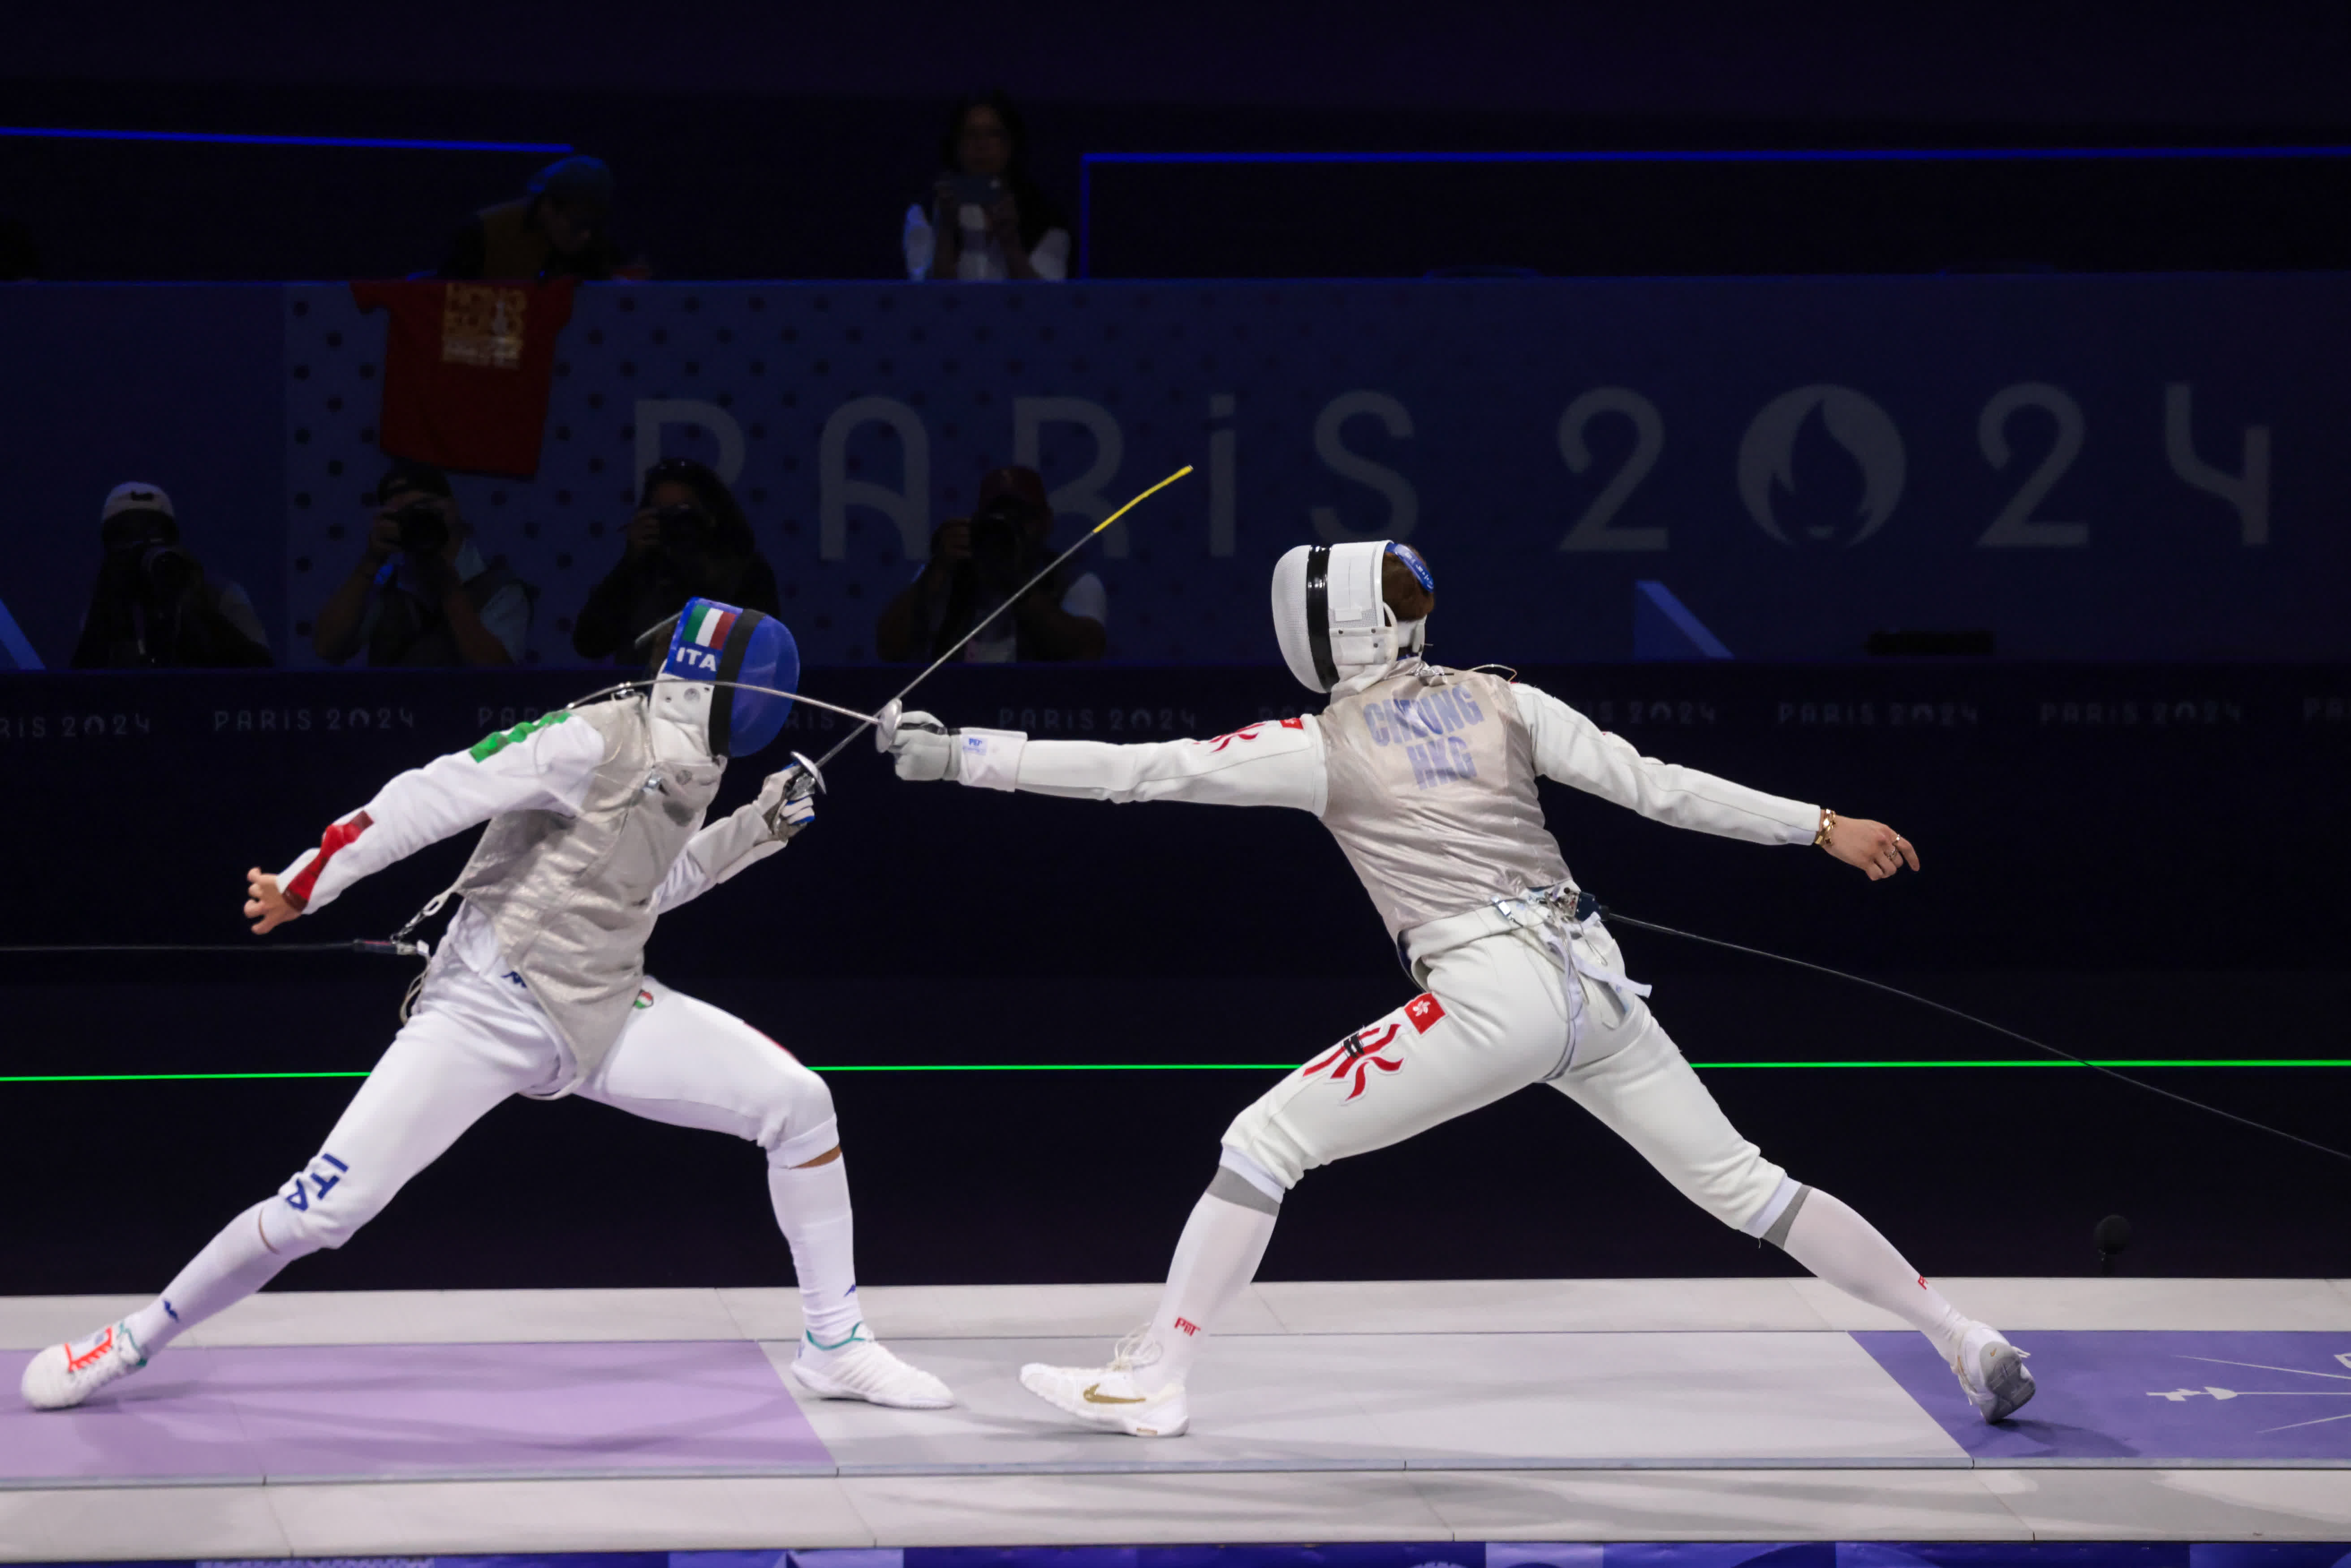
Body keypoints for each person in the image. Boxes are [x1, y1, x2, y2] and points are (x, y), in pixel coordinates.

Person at [885, 539, 2034, 1438]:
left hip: (1496, 992)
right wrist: (1819, 826)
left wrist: (959, 757)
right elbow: (1660, 788)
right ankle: (1958, 1332)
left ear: (1326, 635)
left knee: (1263, 1140)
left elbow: (1143, 774)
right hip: (1597, 990)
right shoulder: (1504, 702)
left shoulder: (1315, 743)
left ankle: (1162, 1376)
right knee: (1747, 1186)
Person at [22, 599, 952, 1416]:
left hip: (603, 1008)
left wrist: (756, 827)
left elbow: (640, 889)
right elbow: (435, 791)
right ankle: (134, 1337)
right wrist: (313, 879)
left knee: (799, 1103)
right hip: (487, 1008)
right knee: (322, 1210)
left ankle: (834, 1346)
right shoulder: (591, 738)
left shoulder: (693, 761)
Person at [312, 461, 533, 667]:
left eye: (427, 509)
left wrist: (450, 591)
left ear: (454, 509)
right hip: (393, 707)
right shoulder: (385, 581)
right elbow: (328, 649)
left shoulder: (498, 586)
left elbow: (498, 676)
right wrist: (371, 562)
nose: (420, 520)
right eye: (406, 516)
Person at [874, 466, 1105, 662]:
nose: (1010, 525)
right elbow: (889, 650)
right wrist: (938, 570)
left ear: (1047, 522)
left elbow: (1088, 654)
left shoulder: (1072, 582)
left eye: (1022, 516)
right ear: (978, 520)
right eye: (999, 515)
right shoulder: (946, 574)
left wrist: (1017, 583)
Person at [573, 458, 780, 666]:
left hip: (719, 693)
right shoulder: (642, 570)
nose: (674, 523)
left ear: (711, 515)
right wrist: (630, 562)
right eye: (662, 514)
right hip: (646, 691)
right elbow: (589, 644)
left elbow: (765, 653)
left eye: (682, 512)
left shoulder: (744, 570)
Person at [70, 482, 272, 669]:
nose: (142, 546)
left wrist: (192, 602)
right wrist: (106, 598)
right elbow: (83, 689)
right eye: (126, 536)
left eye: (154, 533)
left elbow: (261, 674)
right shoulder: (108, 605)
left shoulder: (221, 594)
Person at [902, 92, 1070, 282]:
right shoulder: (925, 213)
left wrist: (1011, 243)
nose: (982, 145)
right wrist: (946, 230)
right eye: (971, 135)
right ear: (956, 146)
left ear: (1010, 146)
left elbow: (1048, 301)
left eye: (994, 134)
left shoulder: (1045, 219)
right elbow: (928, 300)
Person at [440, 155, 621, 283]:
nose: (586, 236)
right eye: (576, 224)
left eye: (593, 225)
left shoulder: (597, 246)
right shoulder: (483, 233)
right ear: (547, 207)